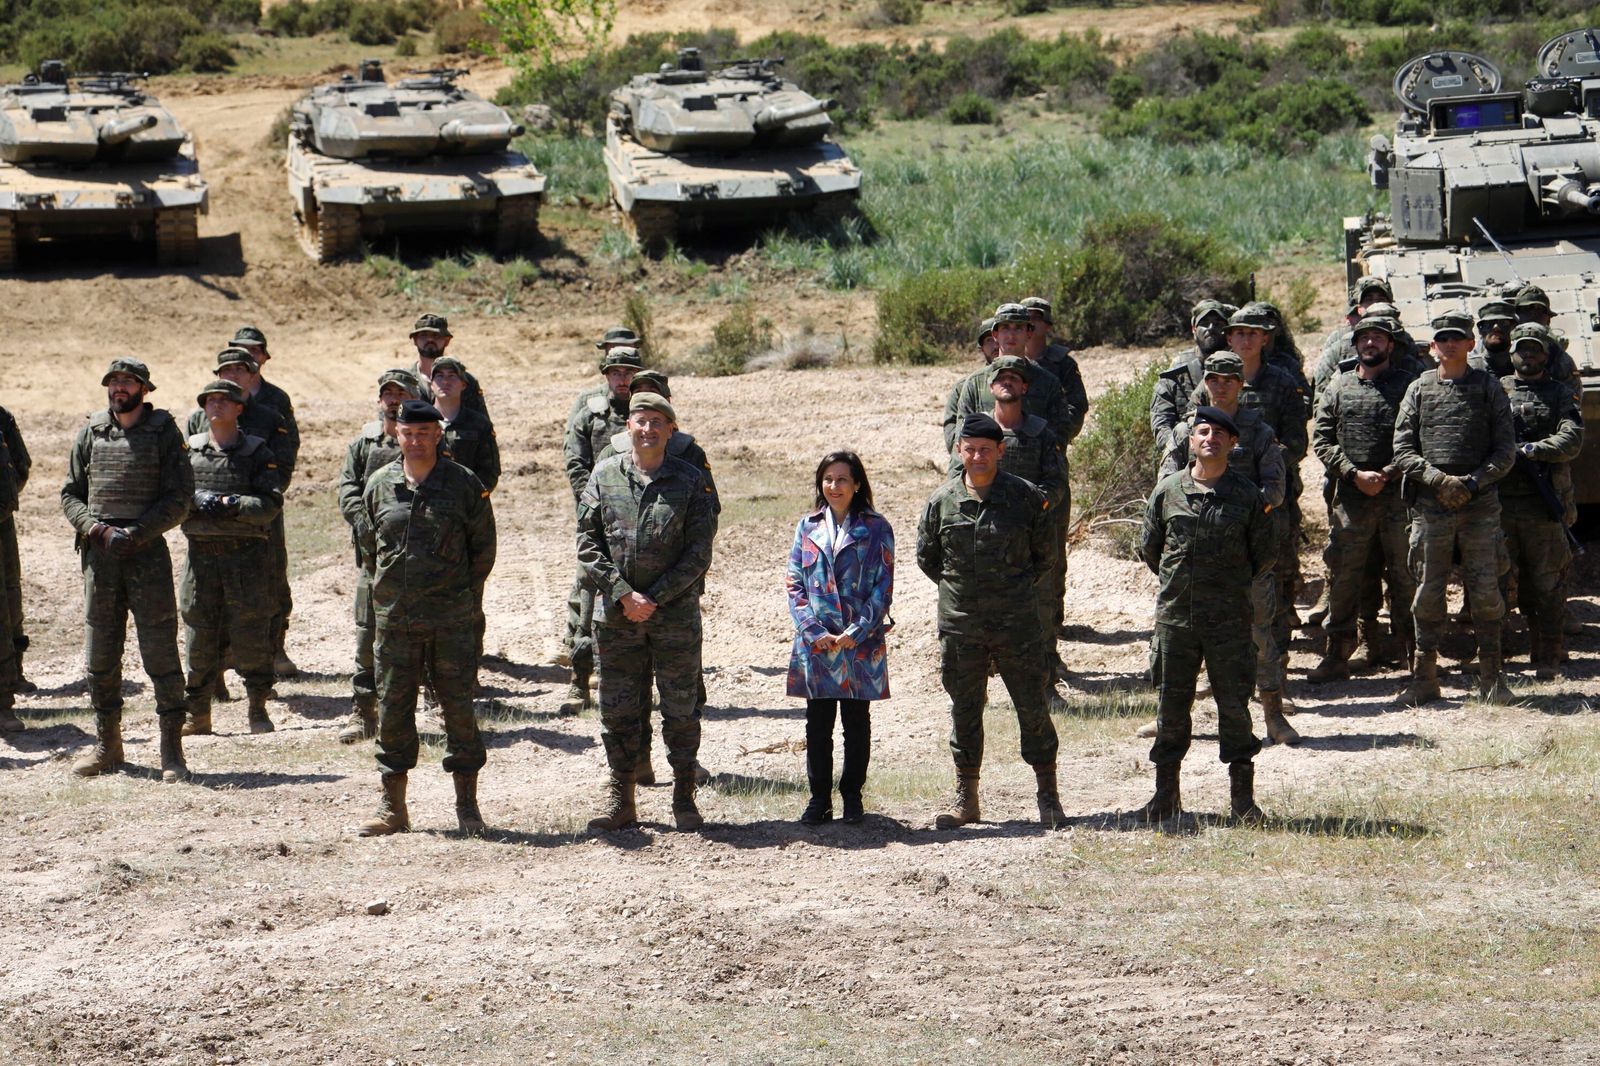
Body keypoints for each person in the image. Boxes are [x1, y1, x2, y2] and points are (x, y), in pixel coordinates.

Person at [917, 413, 1063, 829]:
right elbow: (929, 559)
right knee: (965, 711)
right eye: (970, 449)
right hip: (962, 627)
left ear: (1001, 451)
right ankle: (967, 798)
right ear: (959, 451)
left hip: (1017, 625)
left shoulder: (1027, 499)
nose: (977, 456)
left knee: (1033, 708)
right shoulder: (941, 502)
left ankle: (1048, 794)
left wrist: (1008, 593)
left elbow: (1044, 558)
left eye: (986, 449)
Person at [580, 393, 718, 832]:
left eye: (658, 422)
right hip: (617, 617)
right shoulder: (604, 476)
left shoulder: (691, 480)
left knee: (681, 707)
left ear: (671, 431)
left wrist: (654, 597)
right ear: (628, 429)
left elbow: (700, 550)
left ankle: (684, 798)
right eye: (641, 421)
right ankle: (623, 801)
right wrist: (624, 595)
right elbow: (587, 543)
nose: (649, 429)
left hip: (674, 616)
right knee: (619, 710)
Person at [358, 400, 497, 837]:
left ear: (438, 435)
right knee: (394, 711)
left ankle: (467, 807)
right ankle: (393, 807)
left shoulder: (463, 485)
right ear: (396, 435)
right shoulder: (379, 485)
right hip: (395, 621)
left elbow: (483, 551)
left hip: (451, 621)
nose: (415, 440)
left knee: (458, 710)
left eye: (423, 432)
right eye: (407, 433)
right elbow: (368, 547)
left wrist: (456, 597)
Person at [1137, 406, 1277, 824]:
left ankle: (1242, 802)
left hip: (1229, 622)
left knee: (1234, 707)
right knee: (1170, 709)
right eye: (1203, 431)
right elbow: (1151, 550)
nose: (1210, 438)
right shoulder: (1167, 492)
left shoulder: (1247, 496)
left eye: (1220, 433)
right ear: (1190, 440)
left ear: (1233, 444)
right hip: (1176, 622)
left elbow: (1264, 556)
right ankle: (1165, 798)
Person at [60, 358, 195, 781]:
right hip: (100, 559)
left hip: (146, 557)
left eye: (128, 382)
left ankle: (172, 751)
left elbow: (179, 498)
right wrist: (96, 530)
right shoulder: (92, 430)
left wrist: (137, 532)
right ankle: (108, 745)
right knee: (100, 655)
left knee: (160, 655)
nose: (119, 388)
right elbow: (70, 494)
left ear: (144, 389)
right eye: (114, 382)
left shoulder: (164, 433)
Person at [1157, 354, 1297, 746]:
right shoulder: (1187, 430)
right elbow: (1165, 487)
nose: (1220, 385)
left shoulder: (1259, 430)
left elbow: (1275, 488)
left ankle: (1272, 714)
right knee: (1176, 639)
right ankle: (1168, 716)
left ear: (1241, 385)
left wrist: (1238, 508)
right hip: (1191, 558)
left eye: (1229, 379)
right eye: (1214, 379)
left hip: (1242, 555)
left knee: (1258, 633)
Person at [1392, 310, 1517, 703]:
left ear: (1469, 344)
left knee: (1485, 590)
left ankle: (1493, 679)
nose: (1449, 344)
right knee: (1428, 592)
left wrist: (1474, 481)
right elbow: (1402, 449)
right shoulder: (1418, 389)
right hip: (1432, 507)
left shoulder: (1488, 387)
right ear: (1432, 347)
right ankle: (1424, 678)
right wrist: (1438, 480)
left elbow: (1505, 449)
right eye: (1441, 339)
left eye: (1456, 338)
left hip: (1479, 506)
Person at [1308, 313, 1422, 684]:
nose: (1371, 343)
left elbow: (1419, 439)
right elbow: (1322, 440)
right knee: (1345, 578)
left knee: (1405, 576)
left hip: (1399, 497)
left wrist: (1388, 473)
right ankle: (1338, 654)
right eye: (1364, 338)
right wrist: (1354, 474)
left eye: (1378, 338)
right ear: (1355, 344)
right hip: (1351, 498)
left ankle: (1414, 655)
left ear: (1391, 345)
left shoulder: (1410, 387)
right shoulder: (1338, 387)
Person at [786, 451, 894, 826]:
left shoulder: (876, 527)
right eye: (828, 479)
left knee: (856, 722)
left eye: (842, 479)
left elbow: (883, 586)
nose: (834, 486)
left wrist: (857, 631)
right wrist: (814, 631)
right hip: (817, 646)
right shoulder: (807, 526)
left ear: (857, 484)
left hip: (858, 644)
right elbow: (794, 583)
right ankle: (819, 799)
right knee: (817, 723)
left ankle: (852, 797)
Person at [186, 347, 296, 699]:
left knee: (265, 589)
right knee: (205, 606)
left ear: (253, 374)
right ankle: (214, 676)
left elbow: (281, 463)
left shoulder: (269, 414)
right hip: (207, 531)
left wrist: (245, 505)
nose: (231, 376)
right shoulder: (196, 423)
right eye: (224, 370)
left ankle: (267, 662)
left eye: (238, 370)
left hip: (258, 520)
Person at [178, 379, 284, 737]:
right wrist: (197, 501)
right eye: (210, 401)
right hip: (202, 557)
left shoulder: (257, 452)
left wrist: (233, 504)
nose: (216, 406)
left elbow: (270, 504)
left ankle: (257, 706)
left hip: (246, 558)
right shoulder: (190, 451)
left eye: (224, 401)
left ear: (239, 408)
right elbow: (173, 497)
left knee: (251, 631)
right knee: (199, 633)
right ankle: (198, 713)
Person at [335, 369, 422, 744]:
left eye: (399, 393)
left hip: (421, 562)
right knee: (368, 636)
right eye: (386, 394)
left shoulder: (428, 440)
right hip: (375, 562)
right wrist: (367, 526)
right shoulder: (364, 444)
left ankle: (423, 708)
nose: (392, 400)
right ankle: (363, 711)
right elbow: (347, 491)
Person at [560, 344, 646, 716]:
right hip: (598, 521)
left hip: (641, 529)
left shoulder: (650, 417)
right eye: (616, 372)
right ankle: (579, 685)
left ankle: (638, 686)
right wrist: (596, 506)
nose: (622, 379)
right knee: (587, 602)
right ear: (605, 375)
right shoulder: (590, 416)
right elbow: (575, 462)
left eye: (628, 372)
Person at [1499, 324, 1584, 678]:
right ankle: (1495, 656)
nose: (1528, 355)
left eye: (1535, 349)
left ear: (1546, 355)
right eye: (1522, 349)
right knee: (1497, 581)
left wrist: (1533, 450)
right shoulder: (1495, 390)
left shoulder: (1561, 394)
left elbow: (1573, 439)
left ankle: (1549, 653)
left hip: (1544, 504)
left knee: (1547, 583)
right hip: (1500, 503)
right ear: (1512, 354)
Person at [226, 325, 301, 678]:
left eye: (253, 351)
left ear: (263, 358)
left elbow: (287, 453)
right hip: (220, 514)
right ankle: (223, 657)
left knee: (272, 578)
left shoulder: (275, 401)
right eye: (239, 351)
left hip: (264, 506)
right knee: (220, 585)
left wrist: (268, 496)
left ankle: (275, 648)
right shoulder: (213, 398)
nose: (245, 357)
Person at [1150, 299, 1235, 452]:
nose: (1211, 328)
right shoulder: (1177, 373)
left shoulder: (1239, 368)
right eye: (1205, 323)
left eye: (1218, 323)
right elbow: (1162, 427)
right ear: (1194, 329)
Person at [0, 400, 32, 698]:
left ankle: (14, 672)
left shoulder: (2, 418)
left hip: (2, 521)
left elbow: (21, 465)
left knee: (10, 594)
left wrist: (5, 499)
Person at [409, 313, 490, 419]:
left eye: (436, 336)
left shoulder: (465, 381)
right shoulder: (405, 381)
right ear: (415, 340)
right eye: (423, 335)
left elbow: (482, 424)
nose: (430, 340)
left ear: (447, 341)